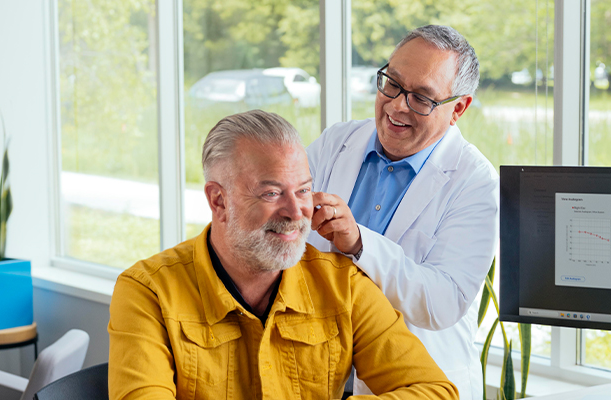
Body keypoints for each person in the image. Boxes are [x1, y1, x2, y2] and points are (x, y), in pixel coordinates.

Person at [108, 110, 457, 400]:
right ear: (219, 201)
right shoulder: (147, 292)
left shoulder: (344, 286)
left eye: (303, 189)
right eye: (272, 193)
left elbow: (435, 391)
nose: (296, 211)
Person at [307, 25, 498, 399]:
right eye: (391, 84)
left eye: (422, 98)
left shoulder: (475, 181)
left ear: (458, 108)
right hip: (319, 372)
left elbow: (444, 301)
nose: (397, 105)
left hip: (413, 383)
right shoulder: (337, 142)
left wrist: (360, 242)